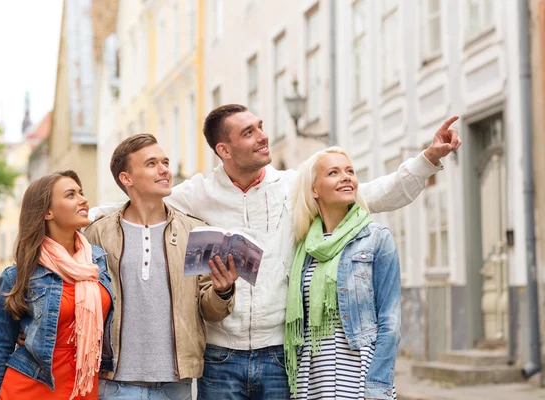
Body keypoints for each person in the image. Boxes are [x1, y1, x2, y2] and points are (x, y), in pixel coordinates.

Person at [90, 104, 461, 399]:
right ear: (224, 149)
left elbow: (374, 194)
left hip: (280, 355)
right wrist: (71, 217)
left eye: (261, 127)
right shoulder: (196, 194)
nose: (263, 137)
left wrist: (427, 158)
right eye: (248, 133)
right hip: (220, 358)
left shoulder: (293, 184)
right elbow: (125, 209)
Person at [84, 134, 237, 399]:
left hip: (175, 384)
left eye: (165, 162)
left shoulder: (195, 231)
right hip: (114, 383)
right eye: (152, 163)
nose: (164, 169)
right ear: (126, 178)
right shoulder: (98, 233)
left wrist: (222, 291)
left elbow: (209, 311)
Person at [0, 171, 114, 400]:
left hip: (83, 389)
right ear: (47, 212)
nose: (83, 199)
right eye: (70, 195)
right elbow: (0, 350)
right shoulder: (18, 275)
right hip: (30, 390)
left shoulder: (97, 262)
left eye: (81, 193)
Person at [285, 147, 401, 400]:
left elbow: (390, 321)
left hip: (359, 374)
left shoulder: (377, 239)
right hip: (312, 376)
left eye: (350, 171)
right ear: (314, 189)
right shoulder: (304, 247)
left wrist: (377, 386)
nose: (346, 177)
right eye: (334, 172)